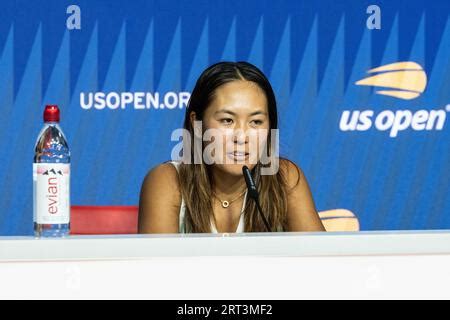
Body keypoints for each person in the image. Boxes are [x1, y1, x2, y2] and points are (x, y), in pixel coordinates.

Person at [138, 61, 325, 233]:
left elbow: (324, 263)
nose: (241, 136)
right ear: (197, 124)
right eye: (227, 120)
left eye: (256, 122)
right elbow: (158, 269)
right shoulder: (168, 181)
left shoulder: (285, 178)